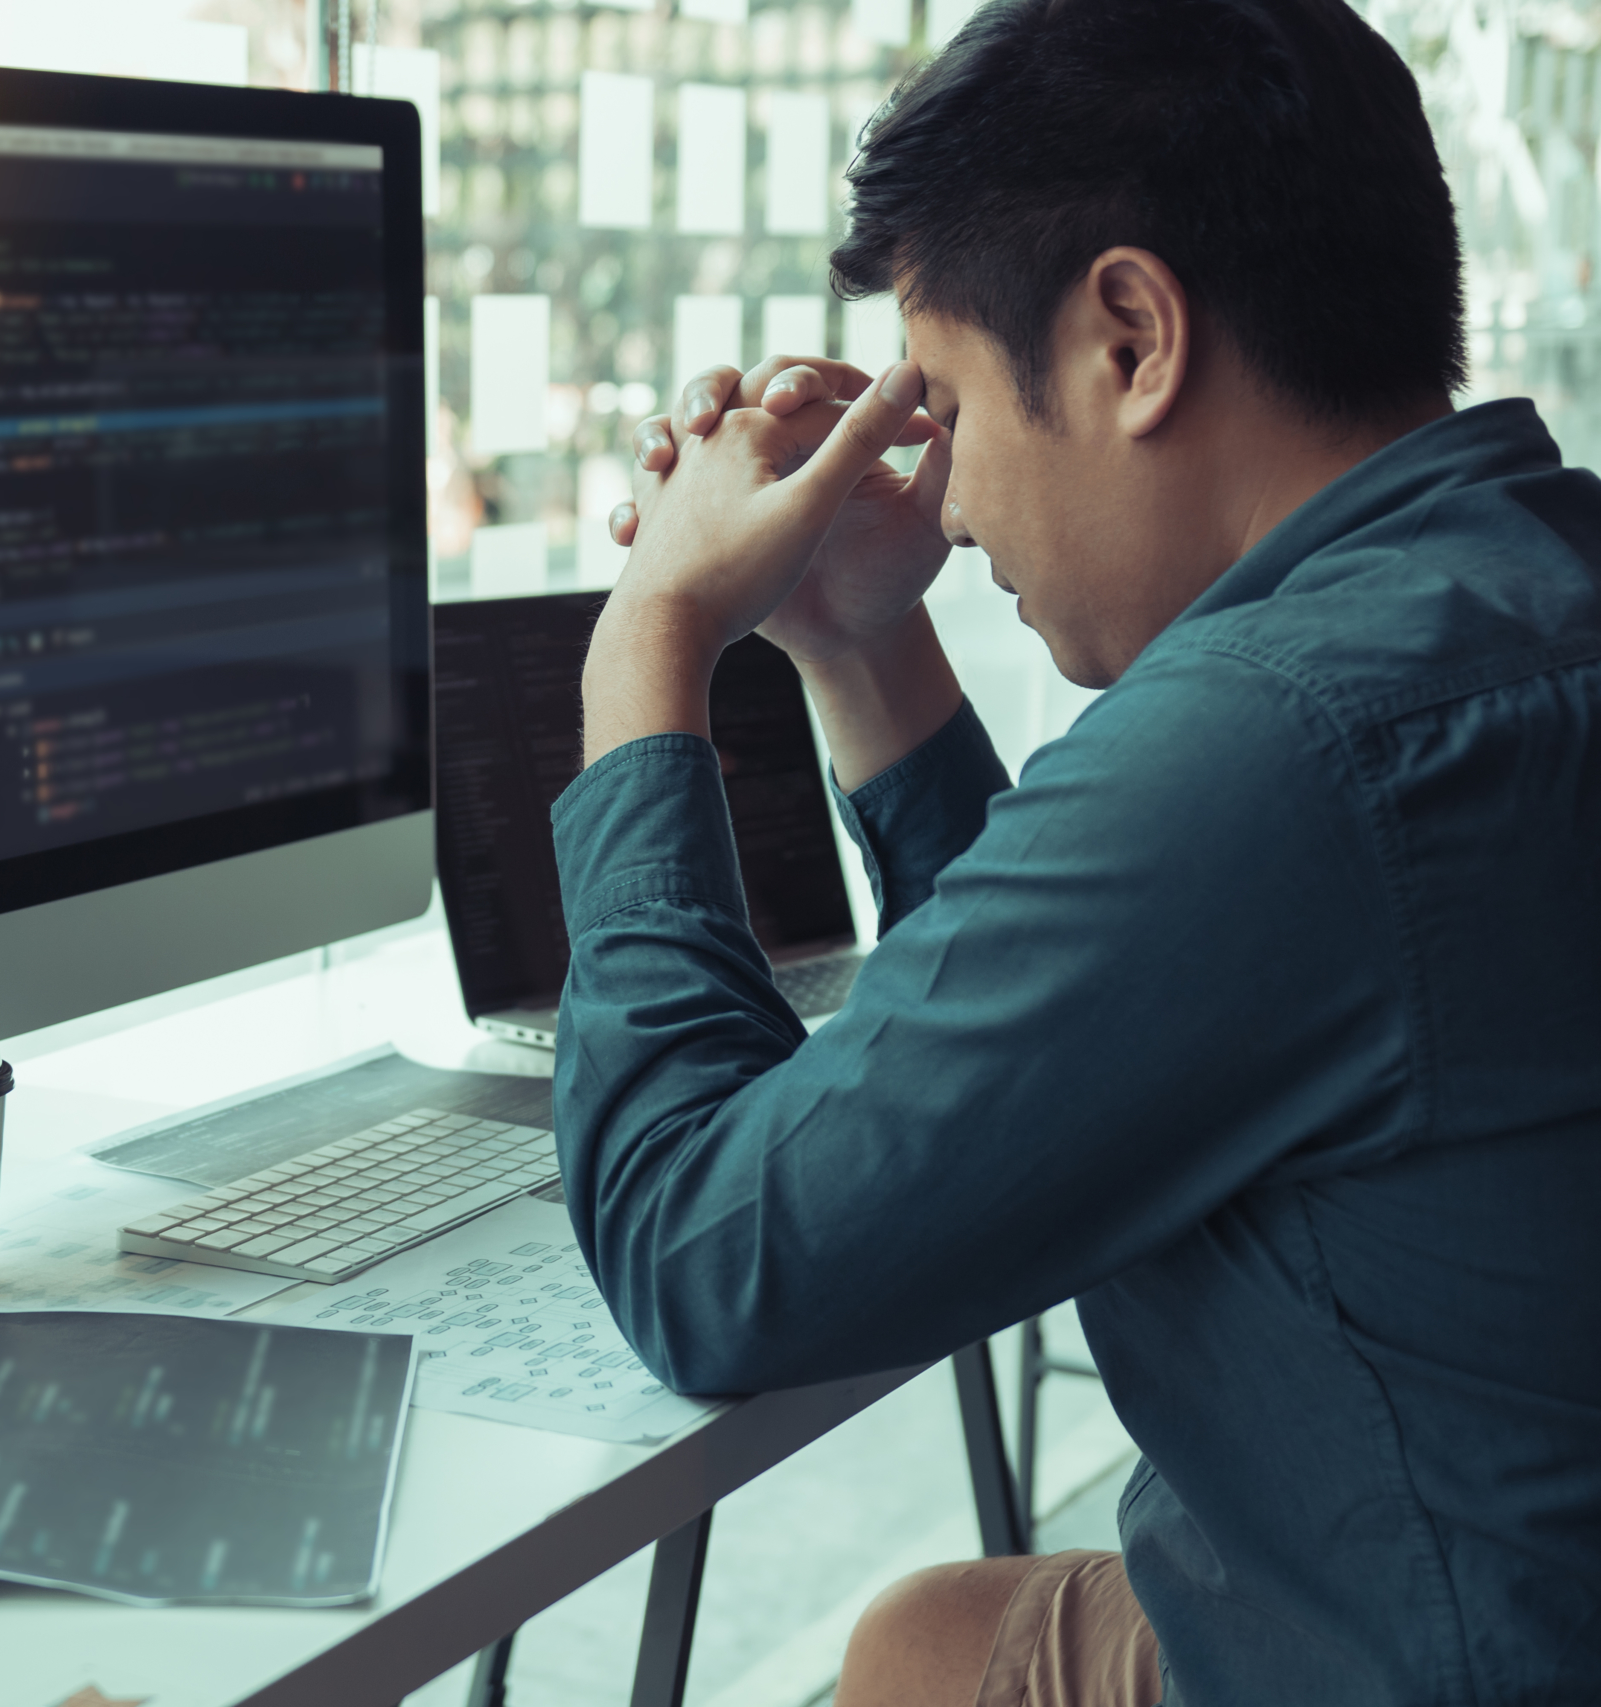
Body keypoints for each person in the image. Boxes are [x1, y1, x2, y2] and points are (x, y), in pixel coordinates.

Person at [555, 0, 1601, 1703]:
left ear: (1132, 337)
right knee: (920, 1640)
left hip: (1423, 1653)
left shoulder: (1286, 739)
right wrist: (865, 645)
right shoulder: (1514, 586)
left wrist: (649, 635)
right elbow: (1134, 1008)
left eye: (951, 401)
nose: (949, 502)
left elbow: (705, 1255)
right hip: (1465, 1573)